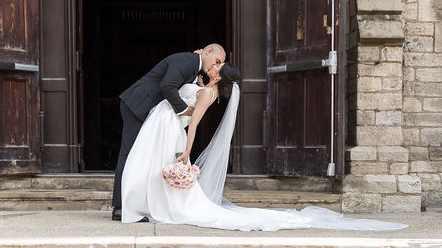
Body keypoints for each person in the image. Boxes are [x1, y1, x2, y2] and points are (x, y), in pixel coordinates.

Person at [119, 63, 407, 232]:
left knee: (150, 166)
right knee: (147, 165)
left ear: (218, 77)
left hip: (173, 130)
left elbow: (193, 123)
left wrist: (186, 152)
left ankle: (154, 205)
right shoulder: (202, 84)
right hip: (164, 126)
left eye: (217, 66)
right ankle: (147, 203)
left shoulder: (207, 92)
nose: (214, 65)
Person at [111, 44, 226, 222]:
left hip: (151, 113)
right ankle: (119, 207)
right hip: (137, 105)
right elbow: (168, 86)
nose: (216, 66)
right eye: (217, 61)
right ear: (208, 51)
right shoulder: (188, 61)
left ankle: (139, 204)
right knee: (129, 154)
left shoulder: (194, 67)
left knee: (142, 158)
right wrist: (184, 110)